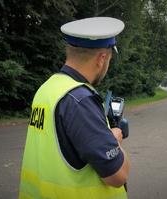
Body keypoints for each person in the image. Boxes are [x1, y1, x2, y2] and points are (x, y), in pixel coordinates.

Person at [19, 17, 130, 199]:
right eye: (109, 59)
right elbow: (117, 176)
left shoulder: (47, 88)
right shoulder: (80, 100)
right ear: (102, 59)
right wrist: (114, 140)